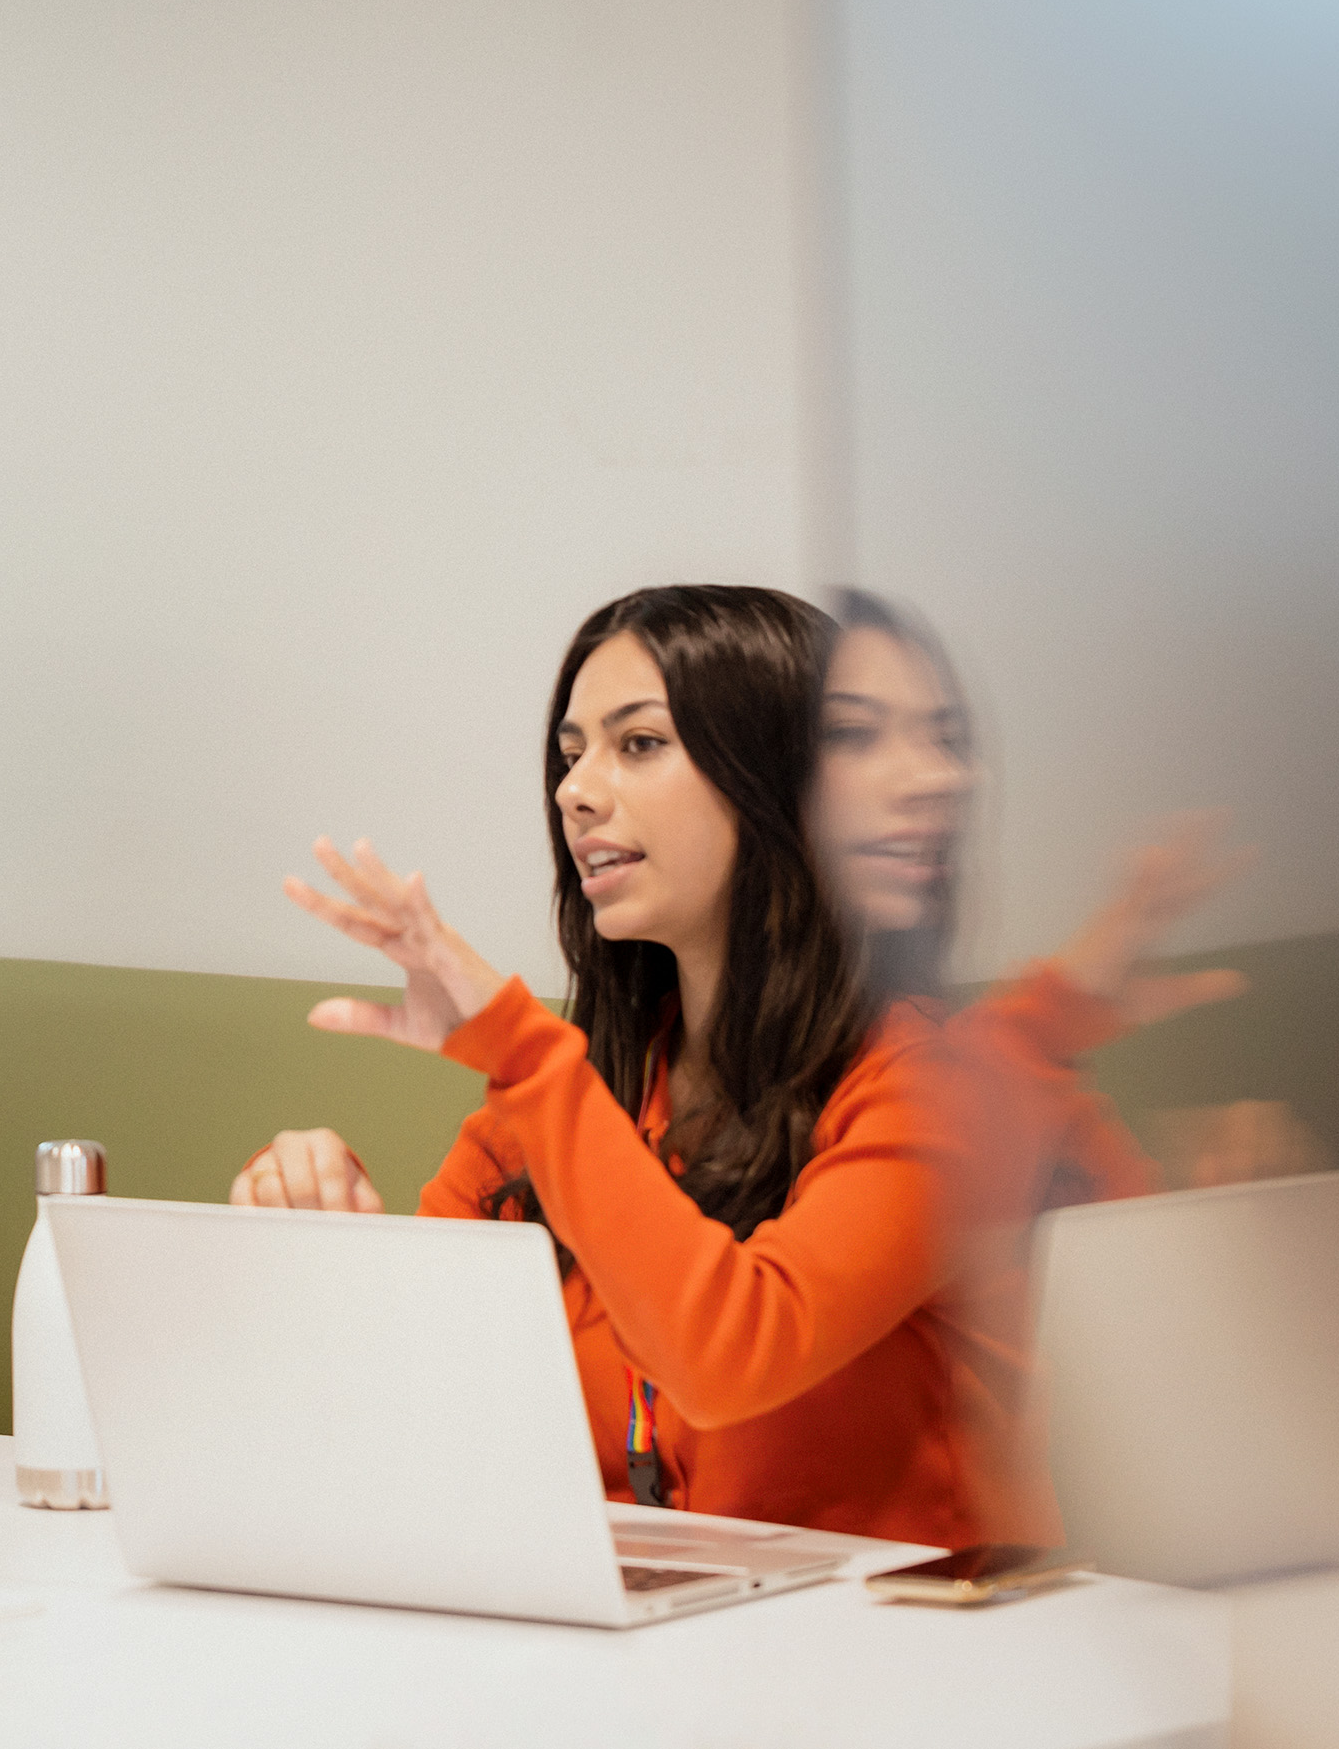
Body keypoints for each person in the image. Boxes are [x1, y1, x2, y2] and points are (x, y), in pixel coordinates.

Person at [238, 585, 999, 1545]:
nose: (574, 790)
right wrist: (323, 1251)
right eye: (570, 754)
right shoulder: (566, 1096)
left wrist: (517, 1046)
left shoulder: (936, 1089)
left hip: (896, 1658)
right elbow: (411, 1405)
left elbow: (733, 1356)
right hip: (628, 1647)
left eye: (638, 744)